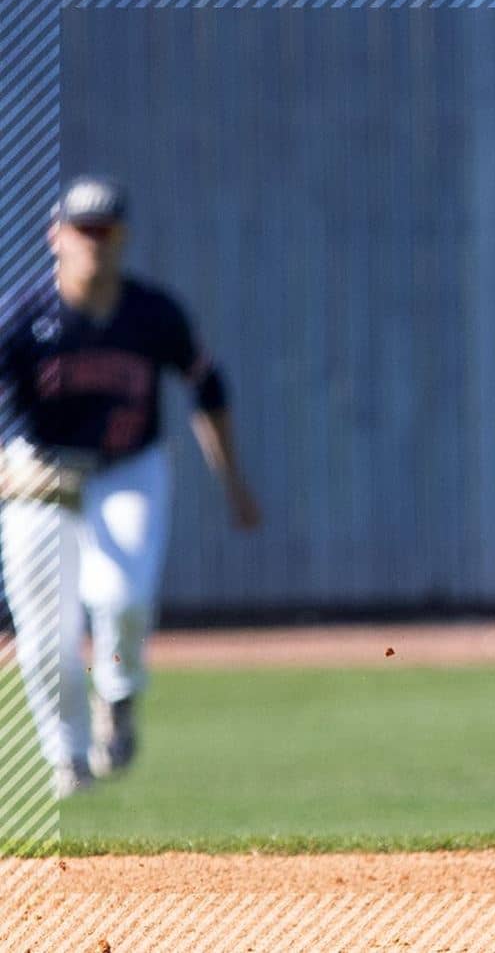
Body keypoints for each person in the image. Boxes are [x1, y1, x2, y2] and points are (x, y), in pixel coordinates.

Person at [0, 174, 261, 799]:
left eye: (107, 229)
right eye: (84, 228)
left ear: (123, 237)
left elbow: (210, 389)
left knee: (121, 598)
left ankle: (116, 694)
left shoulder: (152, 314)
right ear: (55, 235)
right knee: (43, 637)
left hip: (128, 470)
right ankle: (68, 756)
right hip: (41, 477)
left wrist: (232, 483)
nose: (96, 240)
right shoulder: (23, 317)